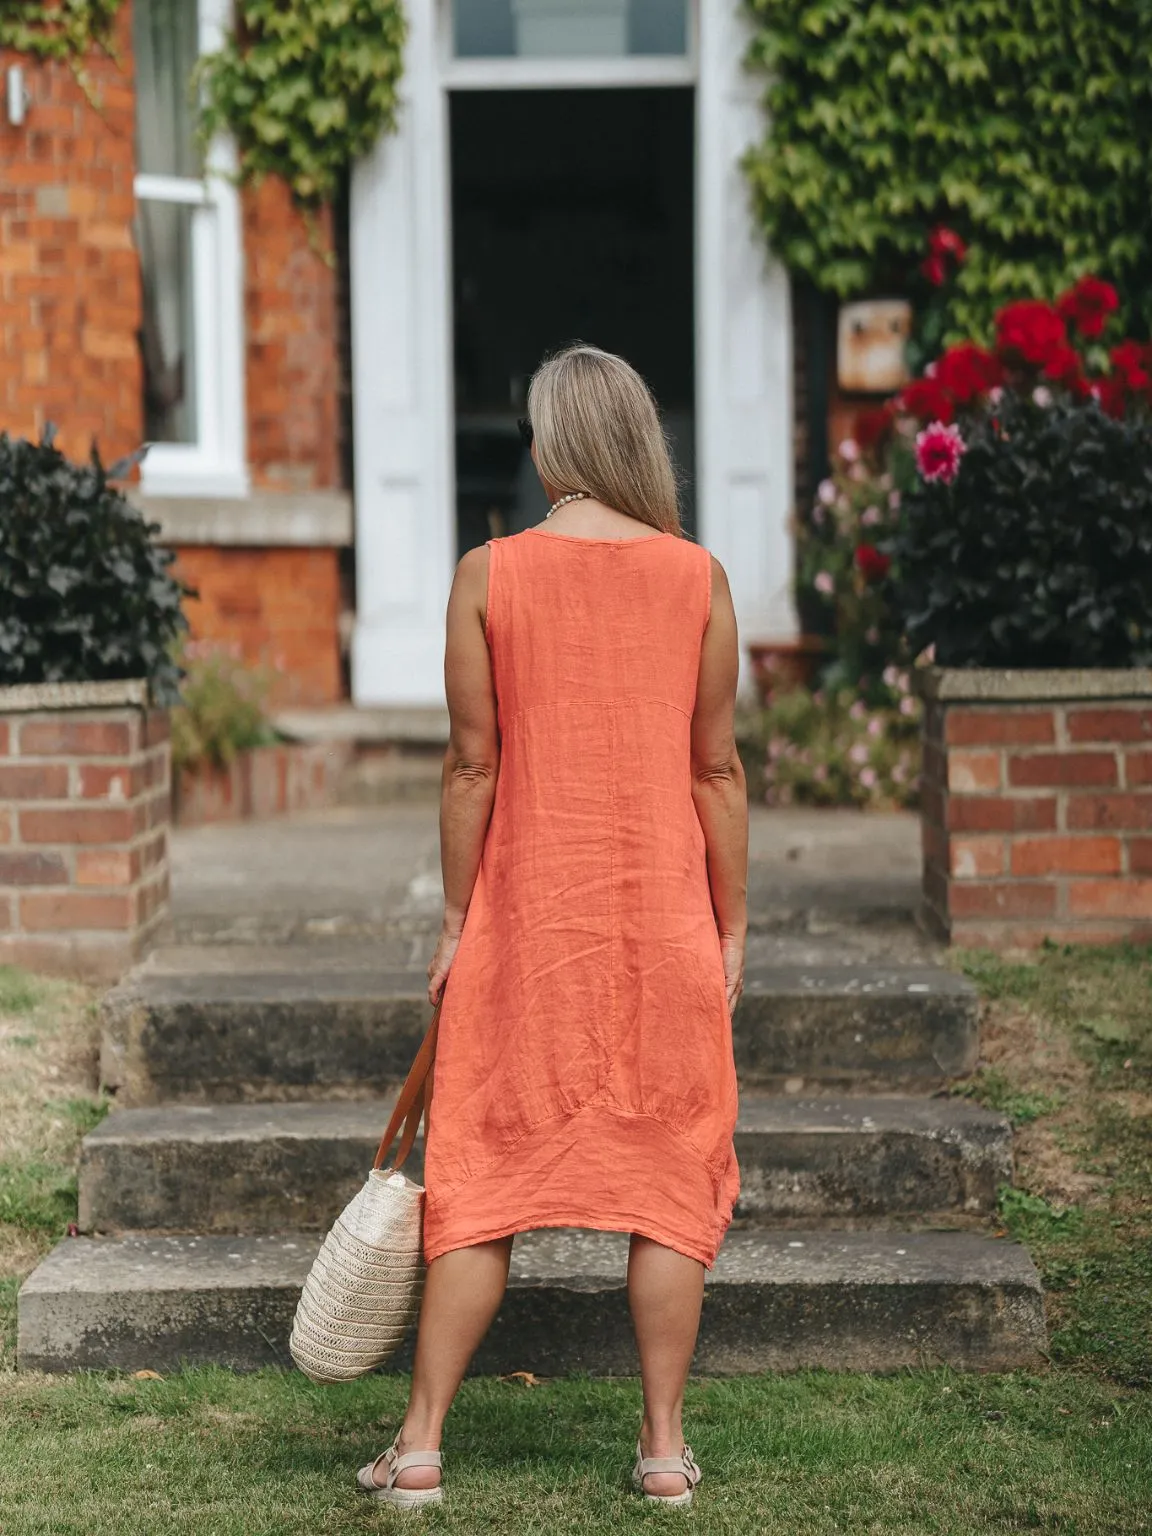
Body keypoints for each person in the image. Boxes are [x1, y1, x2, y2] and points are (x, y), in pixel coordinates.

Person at [357, 344, 748, 1511]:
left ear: (553, 449)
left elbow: (472, 765)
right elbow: (716, 768)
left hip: (529, 931)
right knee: (668, 1172)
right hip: (661, 925)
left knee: (482, 1175)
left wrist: (457, 917)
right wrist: (730, 926)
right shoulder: (699, 577)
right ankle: (665, 1452)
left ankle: (419, 1447)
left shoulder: (489, 573)